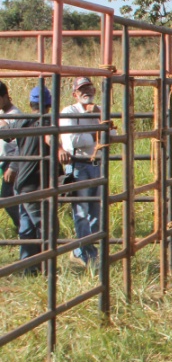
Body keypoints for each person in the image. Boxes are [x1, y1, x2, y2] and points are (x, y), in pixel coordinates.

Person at [58, 76, 102, 268]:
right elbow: (71, 142)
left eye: (89, 88)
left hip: (95, 164)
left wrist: (98, 125)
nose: (87, 92)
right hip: (78, 165)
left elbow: (113, 135)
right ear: (75, 94)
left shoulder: (98, 110)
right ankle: (86, 253)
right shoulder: (69, 111)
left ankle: (83, 250)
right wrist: (97, 131)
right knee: (82, 212)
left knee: (95, 213)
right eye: (82, 89)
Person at [14, 85, 53, 273]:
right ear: (50, 105)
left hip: (20, 182)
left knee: (27, 227)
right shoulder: (48, 123)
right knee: (46, 226)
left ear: (31, 104)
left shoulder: (23, 121)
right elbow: (50, 139)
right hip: (35, 183)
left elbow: (7, 135)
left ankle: (29, 268)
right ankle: (46, 266)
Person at [0, 80, 22, 233]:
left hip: (12, 162)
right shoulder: (3, 113)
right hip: (6, 161)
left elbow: (20, 144)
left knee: (8, 198)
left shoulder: (15, 116)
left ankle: (25, 227)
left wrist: (13, 166)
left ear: (5, 97)